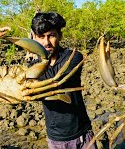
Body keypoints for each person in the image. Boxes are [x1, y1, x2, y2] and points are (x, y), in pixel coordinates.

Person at [30, 11, 96, 149]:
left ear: (60, 35)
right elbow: (32, 94)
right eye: (41, 37)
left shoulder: (74, 57)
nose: (46, 42)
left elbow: (57, 81)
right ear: (33, 38)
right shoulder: (31, 67)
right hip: (56, 138)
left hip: (82, 133)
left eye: (51, 36)